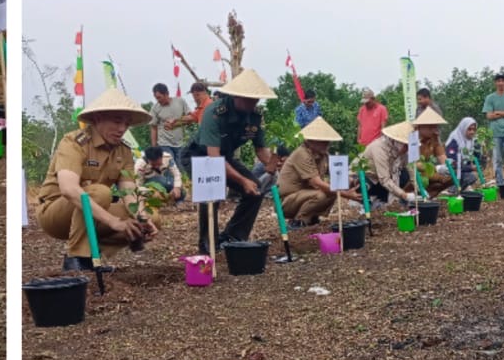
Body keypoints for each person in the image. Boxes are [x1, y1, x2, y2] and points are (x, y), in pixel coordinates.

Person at [34, 87, 154, 269]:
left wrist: (143, 219)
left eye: (126, 124)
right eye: (116, 121)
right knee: (100, 193)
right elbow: (69, 190)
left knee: (152, 217)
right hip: (56, 213)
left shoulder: (123, 150)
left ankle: (94, 257)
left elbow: (129, 192)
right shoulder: (74, 142)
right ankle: (76, 259)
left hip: (93, 212)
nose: (122, 129)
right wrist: (114, 222)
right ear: (98, 118)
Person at [179, 68, 276, 252]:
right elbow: (213, 157)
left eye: (256, 99)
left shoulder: (254, 116)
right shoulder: (214, 112)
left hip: (225, 157)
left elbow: (261, 150)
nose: (253, 103)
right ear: (236, 96)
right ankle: (208, 245)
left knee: (255, 190)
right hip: (199, 155)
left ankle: (233, 236)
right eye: (248, 99)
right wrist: (241, 180)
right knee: (211, 195)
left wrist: (275, 163)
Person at [276, 117, 354, 225]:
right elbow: (316, 183)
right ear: (310, 141)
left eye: (328, 141)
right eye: (323, 141)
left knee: (331, 190)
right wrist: (346, 194)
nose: (327, 144)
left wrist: (350, 181)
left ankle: (311, 217)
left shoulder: (323, 154)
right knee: (323, 193)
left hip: (305, 195)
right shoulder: (302, 154)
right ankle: (299, 220)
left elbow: (337, 173)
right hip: (287, 200)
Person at [362, 120, 417, 208]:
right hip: (370, 178)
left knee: (404, 175)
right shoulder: (379, 148)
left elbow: (411, 169)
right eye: (406, 146)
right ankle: (377, 201)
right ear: (396, 141)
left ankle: (390, 200)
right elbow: (384, 179)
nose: (407, 149)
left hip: (386, 177)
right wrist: (404, 195)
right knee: (369, 184)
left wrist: (419, 189)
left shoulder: (402, 151)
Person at [146, 82, 191, 163]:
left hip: (179, 144)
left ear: (167, 94)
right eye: (156, 98)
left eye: (159, 97)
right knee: (169, 167)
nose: (158, 100)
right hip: (164, 144)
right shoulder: (155, 108)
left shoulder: (180, 101)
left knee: (181, 170)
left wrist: (177, 121)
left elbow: (190, 117)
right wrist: (154, 147)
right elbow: (153, 127)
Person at [414, 106, 453, 195]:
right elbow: (415, 165)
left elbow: (441, 155)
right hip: (415, 174)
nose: (434, 130)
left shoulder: (433, 138)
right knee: (429, 177)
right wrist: (436, 169)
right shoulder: (413, 140)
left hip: (429, 171)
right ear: (420, 127)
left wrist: (448, 166)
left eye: (435, 127)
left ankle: (430, 195)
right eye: (431, 128)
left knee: (451, 177)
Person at [446, 117, 480, 186]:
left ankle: (461, 190)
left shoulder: (471, 141)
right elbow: (453, 163)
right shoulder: (455, 140)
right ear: (463, 128)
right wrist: (471, 168)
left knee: (472, 176)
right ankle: (452, 190)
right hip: (450, 170)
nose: (472, 132)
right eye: (469, 129)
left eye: (474, 129)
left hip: (462, 169)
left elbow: (473, 159)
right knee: (471, 177)